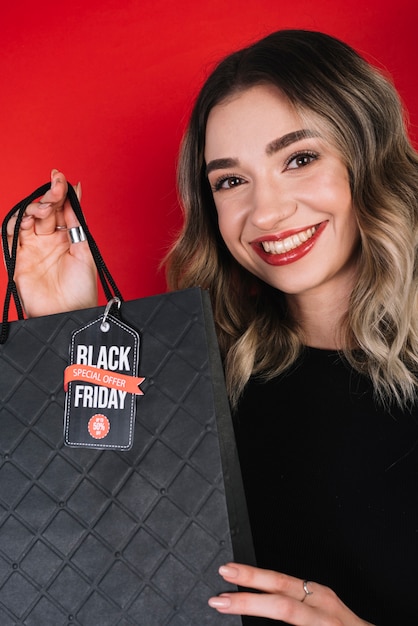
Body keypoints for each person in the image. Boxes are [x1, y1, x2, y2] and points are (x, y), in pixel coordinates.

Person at [6, 30, 418, 626]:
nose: (266, 212)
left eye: (299, 159)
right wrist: (67, 324)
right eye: (230, 180)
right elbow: (100, 539)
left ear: (369, 154)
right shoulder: (204, 378)